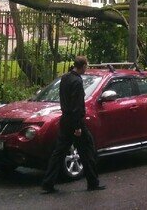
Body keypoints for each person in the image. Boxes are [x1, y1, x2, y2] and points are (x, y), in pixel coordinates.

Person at [41, 55, 105, 193]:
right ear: (82, 66)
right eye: (86, 66)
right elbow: (76, 105)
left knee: (59, 152)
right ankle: (93, 182)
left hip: (65, 120)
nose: (86, 69)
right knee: (88, 150)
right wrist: (77, 127)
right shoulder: (77, 82)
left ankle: (48, 182)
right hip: (76, 122)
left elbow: (65, 101)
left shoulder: (65, 78)